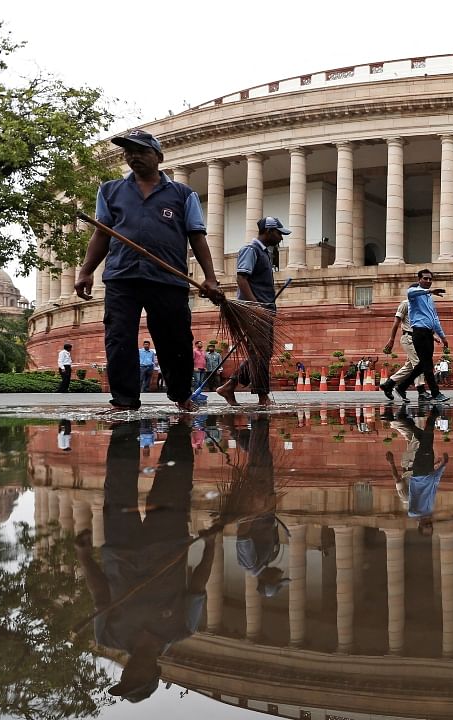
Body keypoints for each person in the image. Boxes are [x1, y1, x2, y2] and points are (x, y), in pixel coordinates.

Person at [74, 130, 223, 412]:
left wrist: (211, 277)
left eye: (141, 151)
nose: (133, 156)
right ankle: (124, 401)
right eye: (128, 152)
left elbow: (197, 236)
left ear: (159, 156)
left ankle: (182, 396)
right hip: (122, 276)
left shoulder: (182, 194)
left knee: (176, 340)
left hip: (168, 279)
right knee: (118, 337)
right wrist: (86, 271)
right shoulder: (110, 190)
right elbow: (102, 235)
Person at [73, 418, 213, 703]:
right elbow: (198, 585)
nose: (129, 674)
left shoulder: (108, 636)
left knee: (118, 484)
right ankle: (181, 429)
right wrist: (211, 543)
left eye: (126, 679)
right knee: (174, 483)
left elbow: (100, 594)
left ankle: (124, 430)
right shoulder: (183, 628)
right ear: (154, 671)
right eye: (136, 679)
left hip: (120, 547)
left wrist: (84, 555)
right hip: (168, 544)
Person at [216, 217, 286, 407]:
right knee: (261, 353)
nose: (281, 238)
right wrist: (255, 307)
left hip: (264, 310)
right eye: (279, 233)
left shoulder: (265, 253)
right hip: (255, 311)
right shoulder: (251, 250)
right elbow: (242, 279)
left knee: (262, 353)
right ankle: (262, 396)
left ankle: (229, 386)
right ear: (269, 231)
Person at [234, 417, 290, 599]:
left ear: (267, 580)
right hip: (266, 501)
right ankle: (249, 430)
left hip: (257, 498)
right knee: (263, 458)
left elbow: (242, 534)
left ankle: (259, 420)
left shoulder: (250, 564)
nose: (280, 574)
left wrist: (255, 504)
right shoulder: (266, 560)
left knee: (259, 459)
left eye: (278, 579)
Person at [387, 404, 449, 533]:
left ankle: (433, 411)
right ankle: (402, 419)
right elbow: (433, 484)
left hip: (415, 466)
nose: (429, 523)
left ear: (419, 525)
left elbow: (398, 480)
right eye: (430, 526)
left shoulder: (413, 509)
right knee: (421, 436)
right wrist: (441, 466)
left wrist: (391, 462)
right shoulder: (428, 509)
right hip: (421, 468)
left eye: (426, 525)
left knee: (426, 435)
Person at [394, 269, 450, 404]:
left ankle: (401, 386)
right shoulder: (414, 294)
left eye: (430, 279)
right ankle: (435, 393)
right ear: (419, 280)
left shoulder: (429, 299)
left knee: (423, 364)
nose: (428, 281)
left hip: (428, 333)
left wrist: (442, 336)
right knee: (427, 364)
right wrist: (429, 291)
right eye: (425, 278)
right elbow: (410, 292)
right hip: (418, 332)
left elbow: (435, 319)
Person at [380, 296, 426, 402]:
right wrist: (391, 340)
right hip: (408, 338)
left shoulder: (421, 306)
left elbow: (420, 325)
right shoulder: (405, 304)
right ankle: (421, 391)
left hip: (418, 338)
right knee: (418, 363)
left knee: (409, 366)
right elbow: (396, 322)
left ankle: (389, 384)